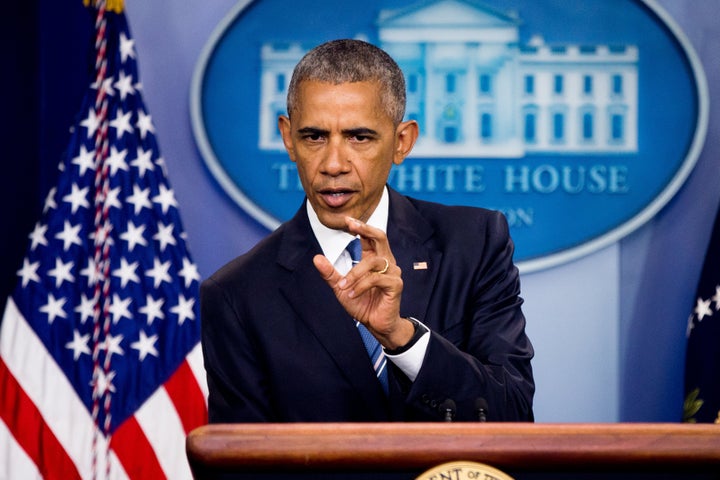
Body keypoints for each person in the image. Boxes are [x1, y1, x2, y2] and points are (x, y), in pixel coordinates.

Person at [200, 38, 534, 422]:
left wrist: (402, 338)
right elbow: (242, 466)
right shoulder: (236, 294)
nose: (334, 163)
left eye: (359, 137)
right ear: (288, 139)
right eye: (315, 137)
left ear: (402, 142)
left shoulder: (474, 243)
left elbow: (513, 413)